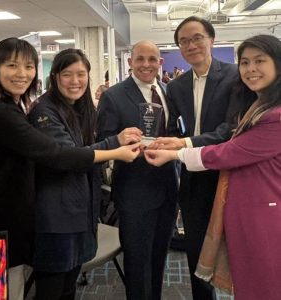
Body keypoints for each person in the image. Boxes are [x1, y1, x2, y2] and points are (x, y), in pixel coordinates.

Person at [0, 38, 141, 300]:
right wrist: (116, 151)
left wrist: (114, 141)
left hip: (11, 224)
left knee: (13, 290)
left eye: (29, 66)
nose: (22, 74)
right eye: (12, 65)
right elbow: (59, 155)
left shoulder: (13, 107)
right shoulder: (0, 113)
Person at [144, 34, 281, 300]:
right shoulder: (256, 101)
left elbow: (229, 149)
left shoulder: (273, 114)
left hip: (261, 206)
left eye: (260, 61)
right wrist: (176, 143)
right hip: (231, 196)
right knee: (243, 275)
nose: (251, 69)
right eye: (245, 62)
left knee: (264, 280)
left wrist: (177, 153)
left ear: (211, 40)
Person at [28, 48, 142, 300]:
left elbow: (88, 150)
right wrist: (116, 147)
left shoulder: (81, 109)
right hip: (55, 219)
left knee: (69, 288)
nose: (75, 81)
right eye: (67, 74)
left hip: (80, 212)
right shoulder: (44, 112)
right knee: (51, 289)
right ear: (55, 76)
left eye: (81, 74)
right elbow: (68, 158)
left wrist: (121, 141)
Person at [162, 16, 238, 300]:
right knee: (195, 250)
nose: (191, 45)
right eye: (184, 41)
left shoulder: (234, 75)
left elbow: (229, 129)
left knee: (237, 250)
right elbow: (173, 127)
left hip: (228, 173)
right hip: (193, 175)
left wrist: (185, 143)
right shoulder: (177, 86)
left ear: (211, 39)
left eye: (197, 38)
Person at [97, 40, 179, 300]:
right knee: (137, 262)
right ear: (130, 62)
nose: (146, 64)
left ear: (160, 63)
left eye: (152, 59)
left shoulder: (167, 92)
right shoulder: (114, 96)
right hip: (135, 191)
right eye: (140, 59)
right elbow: (106, 138)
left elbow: (175, 131)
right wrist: (126, 143)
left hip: (167, 188)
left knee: (158, 258)